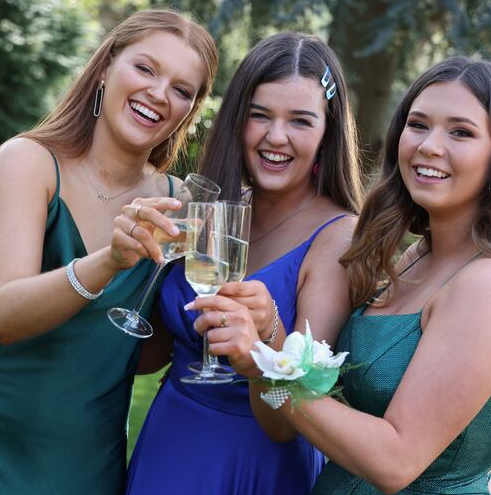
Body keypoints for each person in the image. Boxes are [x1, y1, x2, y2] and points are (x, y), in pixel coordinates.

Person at [197, 56, 491, 494]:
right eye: (419, 124)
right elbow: (298, 416)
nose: (429, 145)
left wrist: (265, 365)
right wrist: (267, 347)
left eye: (460, 132)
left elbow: (395, 462)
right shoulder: (416, 258)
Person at [0, 9, 218, 494]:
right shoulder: (28, 161)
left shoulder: (182, 206)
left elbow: (138, 356)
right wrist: (109, 261)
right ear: (104, 68)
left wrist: (199, 322)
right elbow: (8, 318)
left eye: (182, 90)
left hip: (87, 461)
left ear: (190, 110)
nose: (159, 94)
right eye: (145, 68)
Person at [124, 32, 364, 494]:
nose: (277, 137)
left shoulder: (337, 238)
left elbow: (287, 419)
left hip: (257, 464)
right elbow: (150, 356)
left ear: (327, 131)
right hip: (170, 444)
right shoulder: (213, 210)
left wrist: (265, 342)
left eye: (300, 120)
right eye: (260, 116)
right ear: (238, 121)